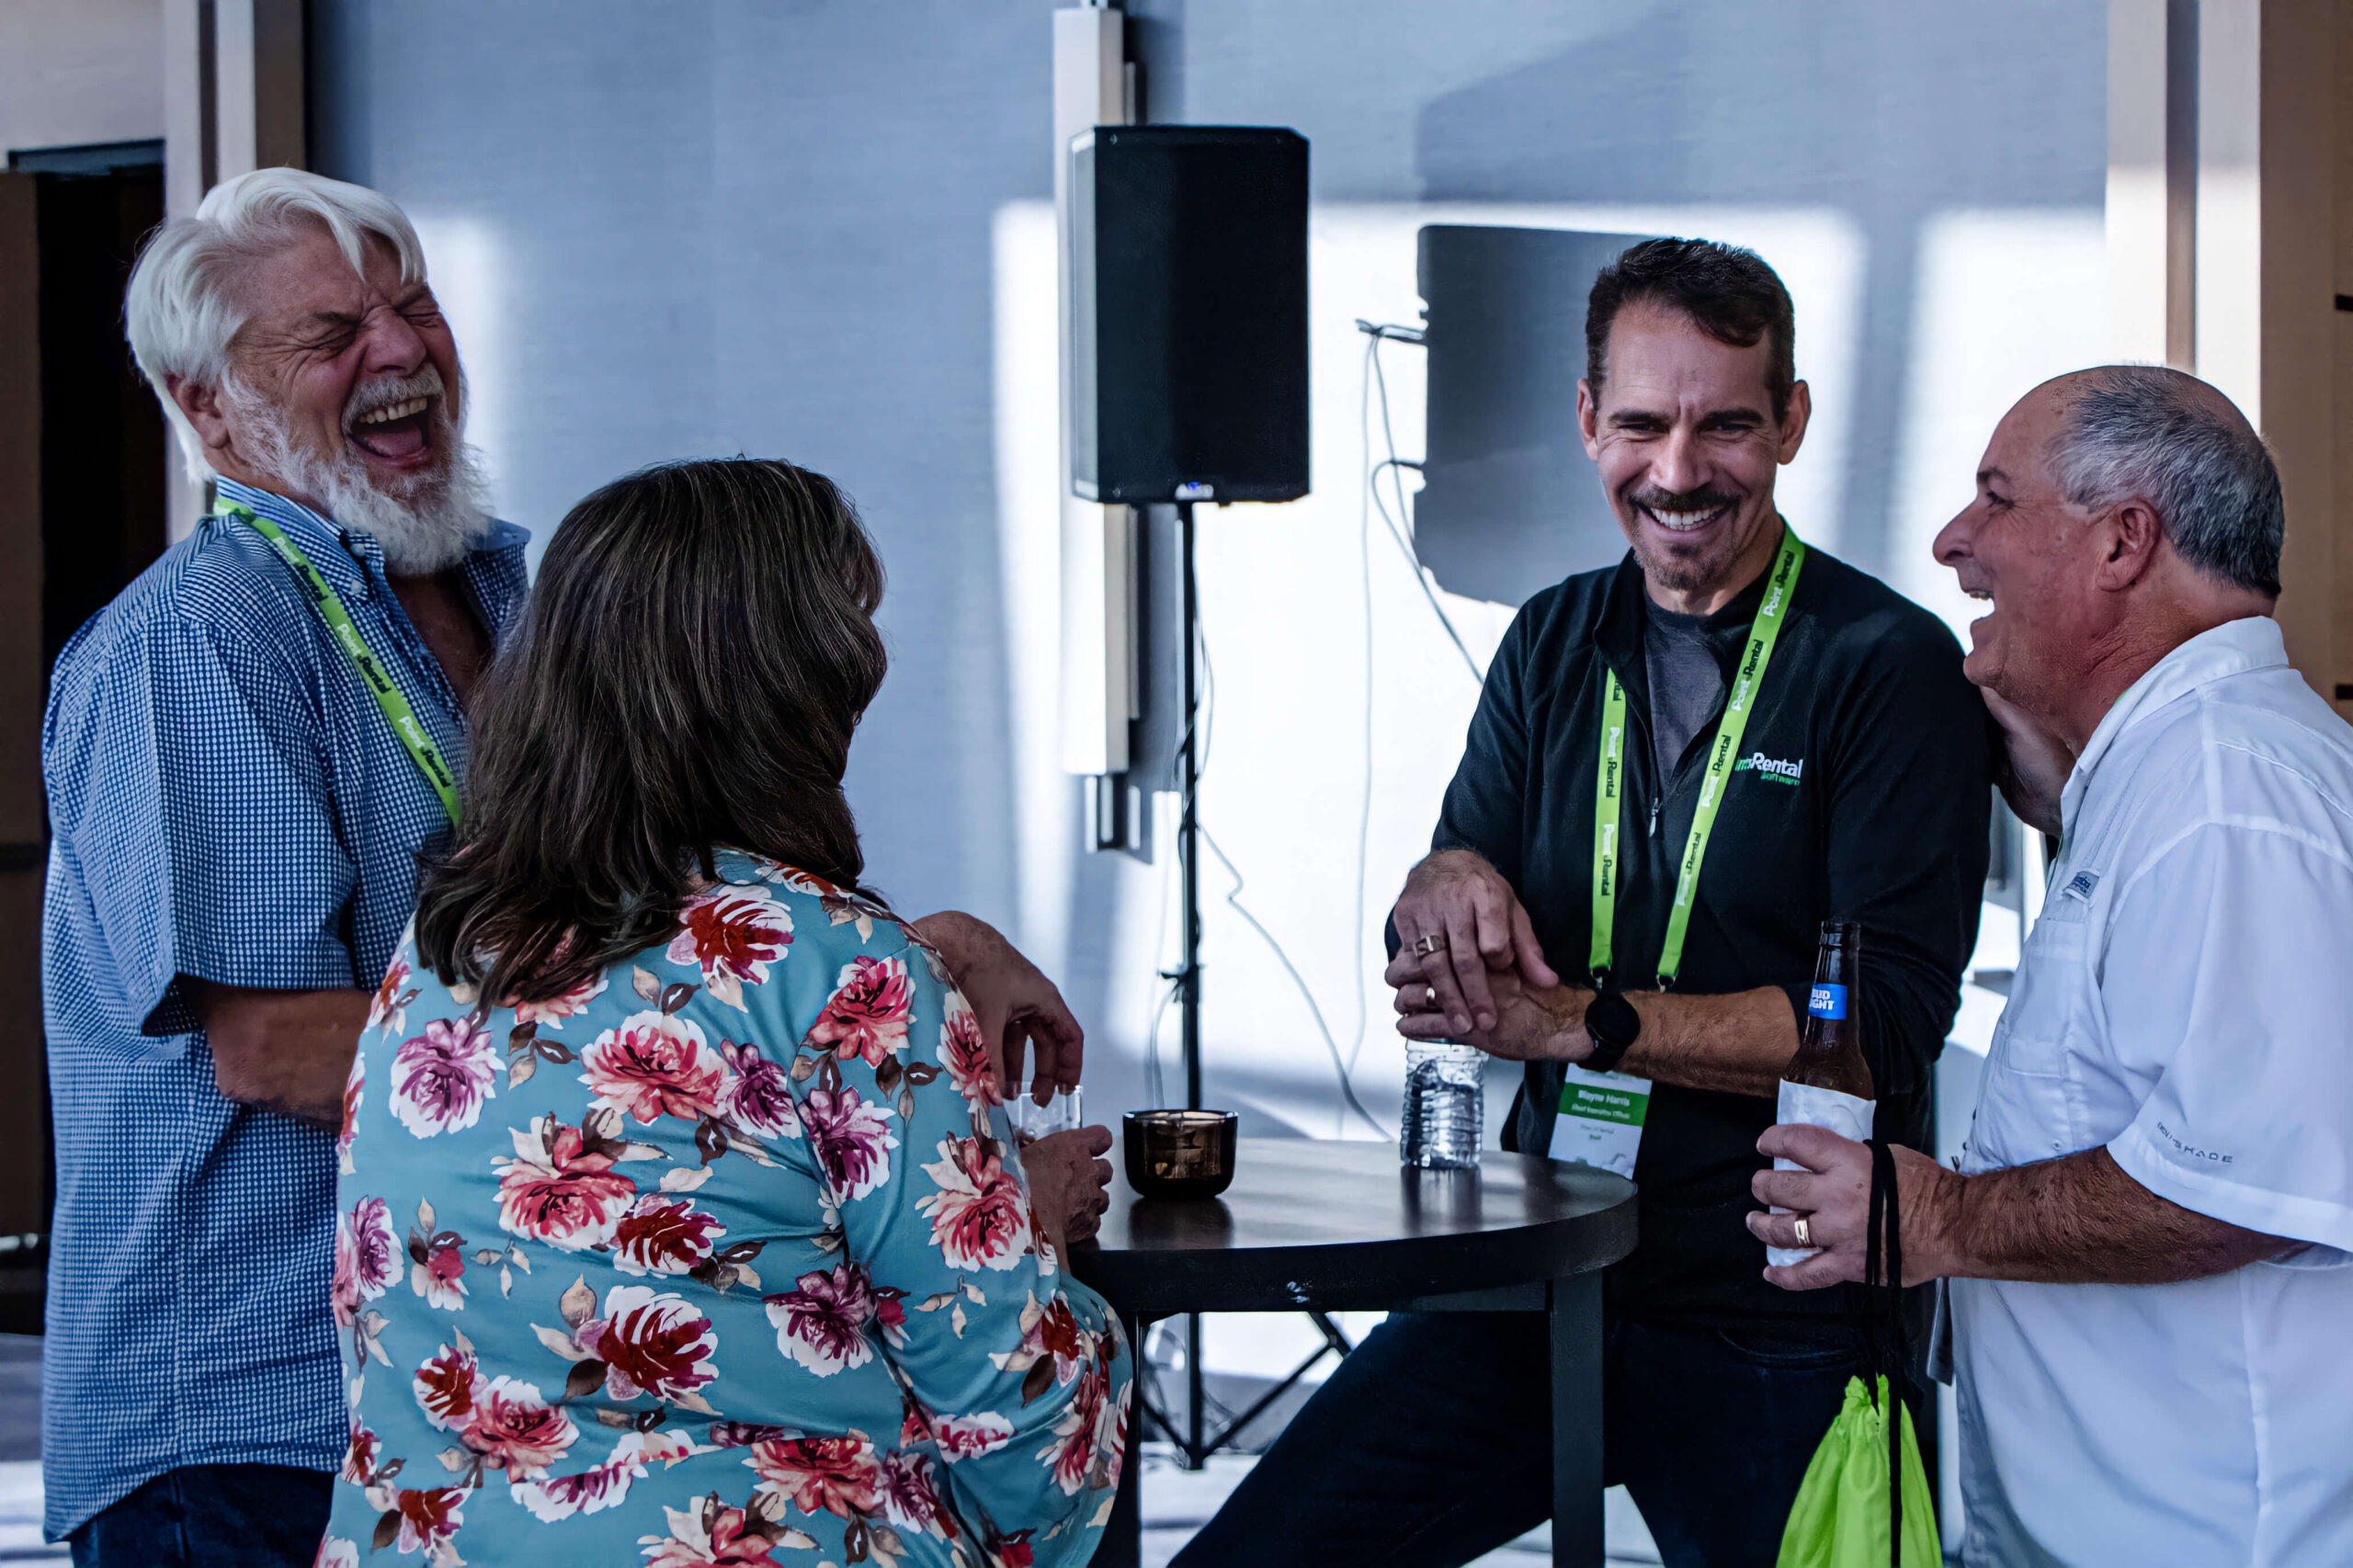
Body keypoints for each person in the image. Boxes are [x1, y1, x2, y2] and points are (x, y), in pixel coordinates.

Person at [44, 169, 1089, 1568]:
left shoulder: (509, 589)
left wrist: (911, 962)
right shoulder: (199, 641)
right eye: (332, 334)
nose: (402, 349)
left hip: (530, 1397)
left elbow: (653, 933)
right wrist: (792, 1074)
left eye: (414, 304)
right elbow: (277, 1049)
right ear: (206, 405)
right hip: (260, 1412)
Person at [1177, 238, 1989, 1568]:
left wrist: (1583, 1024)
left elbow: (1883, 1025)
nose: (1677, 473)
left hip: (1775, 1305)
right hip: (1541, 1262)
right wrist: (1433, 886)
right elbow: (1454, 903)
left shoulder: (1886, 665)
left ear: (1791, 419)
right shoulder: (1553, 640)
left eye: (1726, 423)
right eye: (1642, 424)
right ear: (1586, 419)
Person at [318, 457, 1127, 1567]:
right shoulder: (843, 969)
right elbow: (1020, 1453)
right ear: (800, 686)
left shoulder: (447, 948)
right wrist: (1026, 1227)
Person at [1754, 367, 2353, 1566]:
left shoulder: (2227, 797)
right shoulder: (2173, 772)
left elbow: (2237, 1183)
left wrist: (1936, 1213)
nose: (1952, 541)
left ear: (2125, 540)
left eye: (1995, 500)